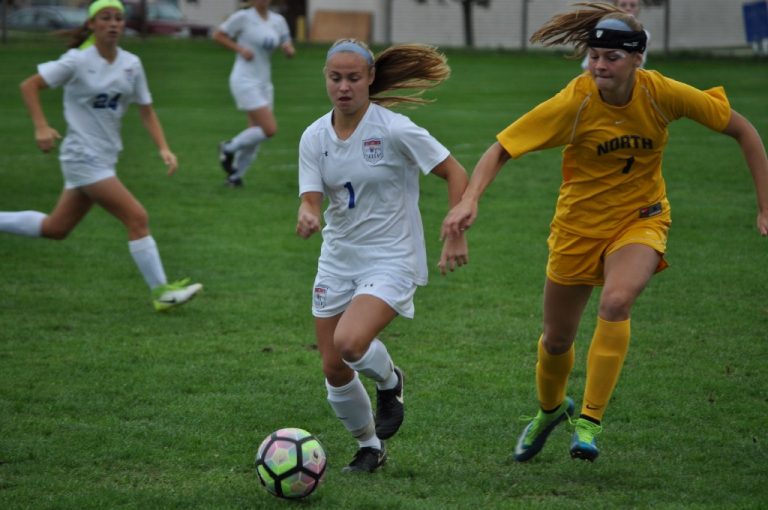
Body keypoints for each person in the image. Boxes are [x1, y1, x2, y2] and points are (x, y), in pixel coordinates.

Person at [441, 2, 768, 462]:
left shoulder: (662, 93)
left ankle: (589, 422)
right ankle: (551, 410)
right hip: (577, 229)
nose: (599, 65)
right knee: (556, 340)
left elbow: (744, 131)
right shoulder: (575, 102)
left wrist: (764, 206)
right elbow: (501, 149)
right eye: (594, 55)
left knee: (616, 301)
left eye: (611, 57)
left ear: (638, 58)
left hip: (641, 218)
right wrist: (470, 199)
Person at [296, 39, 469, 473]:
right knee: (333, 367)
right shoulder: (314, 136)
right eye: (335, 78)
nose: (344, 87)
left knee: (351, 343)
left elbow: (454, 171)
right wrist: (307, 212)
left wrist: (455, 233)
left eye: (353, 78)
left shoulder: (394, 128)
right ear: (326, 79)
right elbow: (313, 199)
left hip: (392, 256)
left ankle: (391, 382)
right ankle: (369, 446)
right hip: (338, 257)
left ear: (370, 78)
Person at [2, 0, 202, 312]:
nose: (113, 23)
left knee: (56, 228)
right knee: (137, 218)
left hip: (105, 157)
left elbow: (146, 110)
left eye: (119, 18)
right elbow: (30, 85)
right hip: (82, 156)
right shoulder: (76, 61)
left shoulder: (132, 63)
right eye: (105, 18)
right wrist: (41, 127)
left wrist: (164, 148)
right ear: (92, 24)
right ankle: (161, 292)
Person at [213, 0, 295, 188]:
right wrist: (240, 49)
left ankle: (235, 177)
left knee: (254, 135)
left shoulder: (278, 20)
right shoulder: (243, 17)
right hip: (244, 80)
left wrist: (288, 50)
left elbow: (287, 44)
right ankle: (228, 147)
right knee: (269, 129)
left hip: (265, 83)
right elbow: (218, 35)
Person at [581, 0, 649, 70]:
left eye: (633, 5)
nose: (628, 8)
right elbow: (588, 66)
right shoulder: (604, 29)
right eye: (623, 5)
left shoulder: (644, 35)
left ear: (639, 9)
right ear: (615, 7)